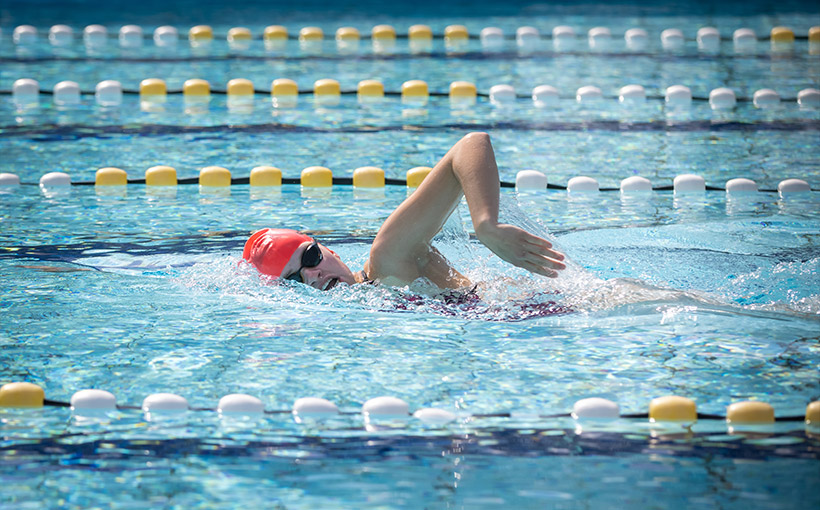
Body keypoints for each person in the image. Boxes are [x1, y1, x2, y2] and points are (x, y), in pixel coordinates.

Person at [243, 132, 566, 292]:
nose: (312, 274)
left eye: (310, 257)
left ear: (327, 248)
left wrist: (486, 224)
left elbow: (471, 144)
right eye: (295, 279)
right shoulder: (368, 299)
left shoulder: (388, 258)